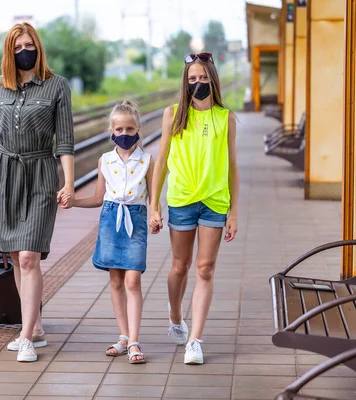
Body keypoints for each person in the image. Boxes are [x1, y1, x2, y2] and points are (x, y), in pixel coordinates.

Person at [0, 22, 75, 363]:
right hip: (3, 175)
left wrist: (70, 183)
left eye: (29, 45)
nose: (24, 52)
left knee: (30, 256)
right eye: (17, 48)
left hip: (39, 175)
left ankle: (26, 336)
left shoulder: (57, 86)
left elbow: (65, 141)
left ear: (38, 47)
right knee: (16, 257)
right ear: (9, 52)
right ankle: (37, 326)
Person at [149, 52, 239, 365]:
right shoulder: (173, 114)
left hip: (215, 202)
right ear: (185, 83)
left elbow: (232, 167)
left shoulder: (225, 118)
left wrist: (234, 212)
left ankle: (195, 340)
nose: (197, 84)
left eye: (202, 79)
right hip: (182, 200)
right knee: (179, 266)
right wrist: (153, 204)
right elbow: (160, 160)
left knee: (205, 269)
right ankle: (176, 316)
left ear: (212, 80)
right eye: (192, 80)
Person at [67, 100, 154, 364]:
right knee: (115, 281)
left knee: (132, 281)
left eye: (130, 129)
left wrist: (157, 216)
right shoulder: (104, 161)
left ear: (138, 128)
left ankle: (136, 341)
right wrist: (73, 201)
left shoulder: (149, 160)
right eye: (119, 129)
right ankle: (124, 336)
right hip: (110, 219)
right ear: (111, 131)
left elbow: (153, 198)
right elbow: (97, 197)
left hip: (135, 220)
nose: (125, 134)